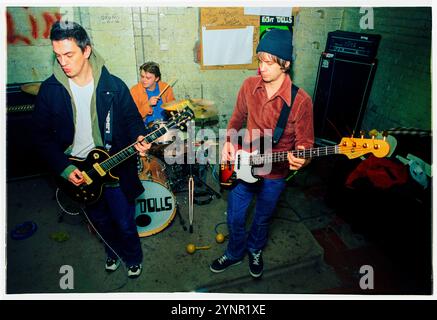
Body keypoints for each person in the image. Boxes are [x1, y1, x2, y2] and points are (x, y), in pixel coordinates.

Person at [33, 21, 151, 279]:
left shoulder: (114, 85)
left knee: (124, 222)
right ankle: (112, 252)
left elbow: (133, 121)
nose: (63, 62)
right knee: (99, 221)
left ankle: (132, 257)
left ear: (86, 51)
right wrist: (65, 168)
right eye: (58, 55)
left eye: (69, 54)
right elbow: (40, 138)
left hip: (115, 167)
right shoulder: (50, 91)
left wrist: (140, 136)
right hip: (78, 172)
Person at [210, 28, 314, 278]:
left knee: (262, 218)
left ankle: (255, 249)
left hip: (275, 173)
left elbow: (306, 144)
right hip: (244, 163)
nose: (262, 68)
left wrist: (302, 158)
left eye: (269, 62)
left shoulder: (301, 101)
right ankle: (235, 253)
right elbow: (236, 119)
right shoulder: (248, 86)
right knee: (235, 216)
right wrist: (228, 141)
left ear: (286, 64)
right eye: (260, 61)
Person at [130, 61, 175, 126]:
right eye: (142, 77)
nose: (144, 80)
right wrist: (148, 104)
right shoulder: (134, 90)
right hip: (145, 128)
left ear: (156, 78)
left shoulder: (165, 87)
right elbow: (133, 117)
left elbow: (173, 108)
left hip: (166, 125)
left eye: (148, 78)